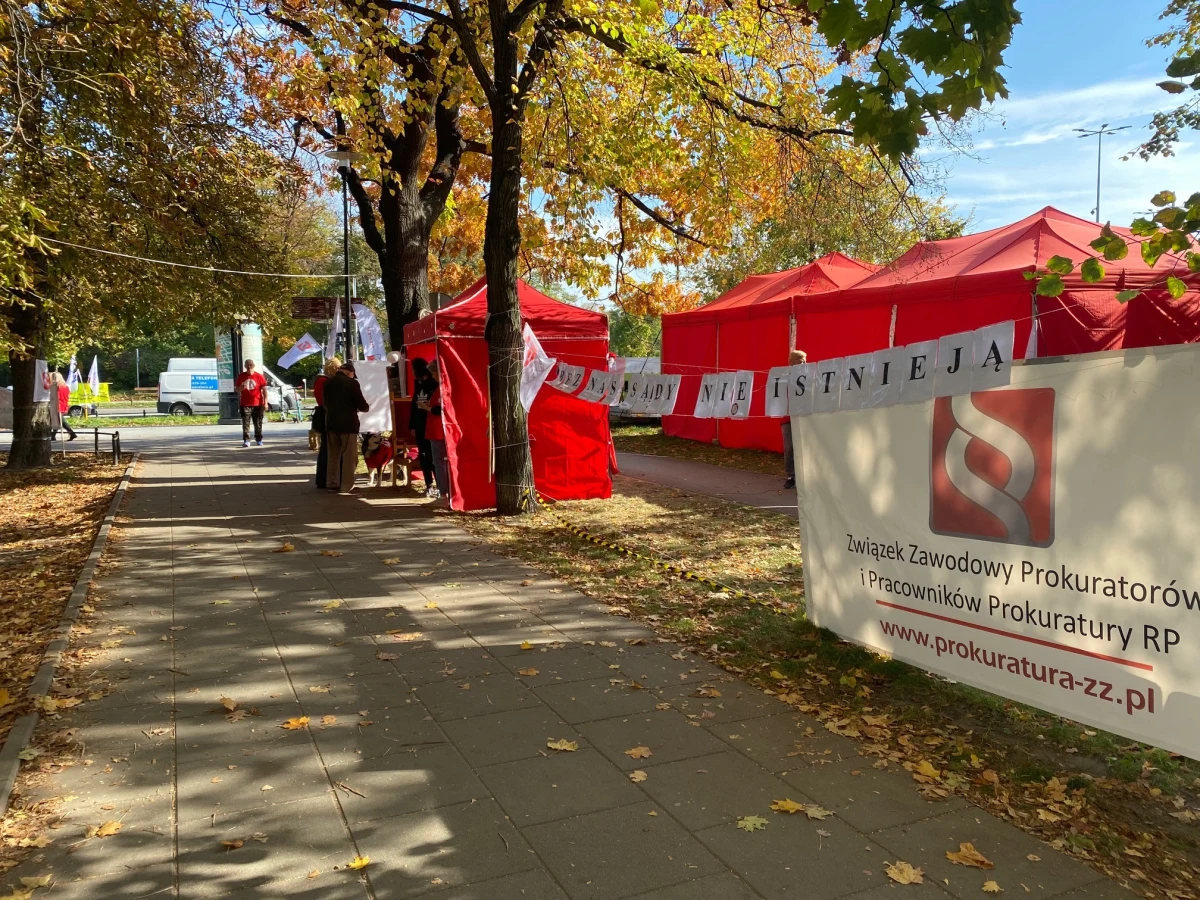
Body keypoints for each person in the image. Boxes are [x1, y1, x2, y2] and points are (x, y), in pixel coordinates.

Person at [322, 360, 369, 495]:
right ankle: (346, 486)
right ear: (350, 373)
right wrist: (365, 408)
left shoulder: (328, 383)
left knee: (333, 455)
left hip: (331, 423)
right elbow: (361, 404)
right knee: (349, 456)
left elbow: (325, 403)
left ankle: (332, 482)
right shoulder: (352, 383)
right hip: (348, 423)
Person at [420, 359, 451, 505]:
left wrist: (426, 408)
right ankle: (445, 491)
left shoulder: (442, 388)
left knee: (439, 461)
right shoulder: (442, 387)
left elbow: (439, 410)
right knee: (440, 461)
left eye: (433, 373)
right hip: (437, 429)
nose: (432, 376)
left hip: (438, 430)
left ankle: (444, 492)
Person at [409, 358, 438, 498]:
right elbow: (414, 403)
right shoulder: (418, 383)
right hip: (420, 422)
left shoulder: (434, 383)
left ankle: (440, 485)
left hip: (430, 421)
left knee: (434, 455)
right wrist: (412, 424)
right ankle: (428, 484)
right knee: (424, 454)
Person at [312, 357, 341, 488]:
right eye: (338, 368)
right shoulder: (323, 381)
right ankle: (323, 478)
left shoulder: (325, 381)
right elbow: (322, 400)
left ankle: (325, 478)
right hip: (326, 416)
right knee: (326, 448)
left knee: (328, 448)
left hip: (327, 415)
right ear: (332, 368)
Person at [782, 348, 807, 489]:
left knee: (804, 447)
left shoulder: (808, 377)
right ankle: (791, 476)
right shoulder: (784, 377)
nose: (803, 364)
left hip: (803, 416)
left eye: (804, 362)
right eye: (800, 362)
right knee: (790, 447)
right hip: (788, 417)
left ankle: (805, 475)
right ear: (792, 363)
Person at [235, 359, 268, 447]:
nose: (249, 367)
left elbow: (264, 390)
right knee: (246, 423)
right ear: (245, 367)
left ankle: (259, 439)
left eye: (251, 365)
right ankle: (246, 440)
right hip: (245, 403)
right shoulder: (241, 376)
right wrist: (241, 387)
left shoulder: (259, 376)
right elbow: (237, 389)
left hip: (258, 403)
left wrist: (266, 403)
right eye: (247, 365)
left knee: (258, 423)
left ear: (253, 366)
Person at [49, 371, 76, 442]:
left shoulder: (55, 387)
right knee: (58, 420)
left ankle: (72, 433)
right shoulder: (65, 387)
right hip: (63, 405)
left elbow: (54, 397)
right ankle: (53, 436)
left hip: (57, 406)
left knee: (61, 421)